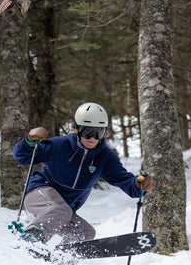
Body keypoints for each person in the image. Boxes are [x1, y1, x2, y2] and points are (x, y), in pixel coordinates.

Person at [13, 102, 154, 244]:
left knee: (85, 232)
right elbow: (22, 157)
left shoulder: (105, 158)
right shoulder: (59, 145)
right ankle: (30, 240)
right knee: (61, 210)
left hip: (62, 210)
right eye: (88, 132)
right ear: (78, 129)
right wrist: (29, 142)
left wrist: (139, 183)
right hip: (38, 193)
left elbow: (128, 184)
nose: (92, 138)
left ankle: (62, 259)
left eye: (98, 132)